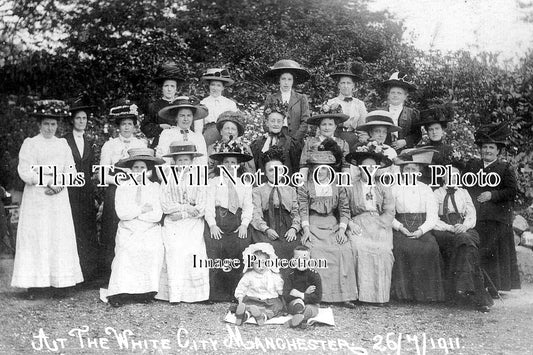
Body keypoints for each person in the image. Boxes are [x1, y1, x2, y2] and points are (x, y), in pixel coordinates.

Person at [11, 100, 83, 298]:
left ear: (57, 125)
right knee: (38, 237)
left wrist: (60, 185)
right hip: (38, 199)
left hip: (58, 200)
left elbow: (72, 170)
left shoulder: (62, 144)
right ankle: (36, 285)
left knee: (58, 237)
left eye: (53, 124)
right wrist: (49, 182)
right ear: (39, 125)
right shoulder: (31, 143)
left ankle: (60, 282)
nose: (50, 128)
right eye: (46, 124)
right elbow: (25, 170)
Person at [298, 139, 358, 308]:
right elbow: (303, 209)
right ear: (312, 169)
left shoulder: (337, 186)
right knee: (315, 251)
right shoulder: (305, 186)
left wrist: (342, 229)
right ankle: (319, 296)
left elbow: (345, 210)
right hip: (313, 224)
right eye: (318, 167)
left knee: (343, 249)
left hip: (333, 225)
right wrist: (306, 229)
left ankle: (344, 295)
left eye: (325, 167)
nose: (322, 171)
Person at [106, 148, 165, 307]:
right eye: (136, 168)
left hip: (149, 228)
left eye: (142, 168)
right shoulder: (123, 187)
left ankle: (144, 291)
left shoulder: (154, 187)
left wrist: (137, 214)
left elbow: (157, 214)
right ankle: (119, 292)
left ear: (148, 170)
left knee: (152, 248)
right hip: (128, 228)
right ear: (130, 170)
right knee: (127, 251)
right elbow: (122, 213)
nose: (139, 171)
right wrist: (140, 210)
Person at [468, 122, 520, 295]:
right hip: (476, 215)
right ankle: (477, 284)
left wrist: (492, 195)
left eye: (491, 148)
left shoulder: (505, 168)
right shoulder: (473, 166)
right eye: (484, 147)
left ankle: (493, 286)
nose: (487, 151)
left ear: (498, 151)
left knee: (491, 248)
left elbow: (512, 191)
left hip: (496, 217)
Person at [433, 162, 493, 312]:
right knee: (467, 243)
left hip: (465, 228)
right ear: (443, 177)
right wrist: (450, 228)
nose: (452, 178)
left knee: (467, 241)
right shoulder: (436, 193)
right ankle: (478, 298)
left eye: (455, 176)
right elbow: (433, 218)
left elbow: (471, 214)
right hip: (444, 230)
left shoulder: (464, 193)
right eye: (449, 175)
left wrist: (464, 226)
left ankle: (462, 291)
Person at [156, 141, 210, 304]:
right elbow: (165, 205)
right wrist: (186, 207)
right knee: (174, 251)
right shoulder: (168, 177)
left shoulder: (199, 177)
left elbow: (201, 207)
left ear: (192, 161)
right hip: (173, 223)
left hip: (192, 223)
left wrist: (182, 213)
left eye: (186, 160)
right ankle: (174, 294)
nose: (183, 164)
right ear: (174, 161)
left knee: (193, 251)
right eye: (180, 160)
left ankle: (195, 295)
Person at [99, 99, 147, 279]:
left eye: (130, 124)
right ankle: (109, 274)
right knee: (112, 229)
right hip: (116, 189)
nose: (126, 127)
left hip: (136, 189)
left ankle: (135, 274)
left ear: (135, 126)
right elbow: (102, 175)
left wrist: (137, 180)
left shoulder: (141, 145)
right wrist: (119, 181)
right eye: (123, 124)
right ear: (118, 126)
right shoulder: (110, 145)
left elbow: (148, 171)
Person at [390, 148, 445, 302]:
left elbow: (433, 216)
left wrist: (421, 231)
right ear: (401, 171)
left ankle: (427, 295)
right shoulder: (395, 188)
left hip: (422, 228)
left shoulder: (426, 189)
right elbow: (389, 214)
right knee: (401, 248)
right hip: (401, 227)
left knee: (430, 247)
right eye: (406, 169)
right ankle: (404, 295)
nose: (409, 172)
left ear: (419, 171)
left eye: (413, 169)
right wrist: (400, 228)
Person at [344, 142, 395, 305]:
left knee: (383, 251)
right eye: (365, 167)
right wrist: (350, 224)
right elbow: (344, 209)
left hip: (379, 224)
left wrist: (383, 225)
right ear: (359, 169)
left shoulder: (383, 187)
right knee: (358, 247)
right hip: (358, 222)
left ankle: (378, 296)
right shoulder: (351, 187)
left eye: (372, 168)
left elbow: (389, 210)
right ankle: (361, 295)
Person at [204, 140, 254, 302]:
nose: (230, 165)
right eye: (226, 162)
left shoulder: (244, 184)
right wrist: (212, 225)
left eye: (233, 162)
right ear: (221, 164)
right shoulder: (213, 182)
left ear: (238, 165)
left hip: (237, 221)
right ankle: (215, 293)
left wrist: (244, 224)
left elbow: (248, 206)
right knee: (215, 252)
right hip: (218, 220)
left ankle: (234, 292)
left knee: (238, 251)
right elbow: (209, 205)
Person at [63, 98, 99, 282]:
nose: (81, 121)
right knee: (73, 229)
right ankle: (73, 275)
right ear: (72, 120)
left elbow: (91, 167)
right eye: (78, 118)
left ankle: (88, 273)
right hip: (70, 191)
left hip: (86, 191)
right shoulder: (64, 141)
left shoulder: (88, 140)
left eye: (84, 118)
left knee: (87, 229)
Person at [251, 146, 301, 263]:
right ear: (265, 172)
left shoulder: (290, 190)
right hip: (266, 226)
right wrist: (266, 229)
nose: (275, 173)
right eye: (271, 170)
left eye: (278, 169)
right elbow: (256, 214)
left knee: (293, 247)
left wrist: (294, 228)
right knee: (267, 249)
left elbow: (296, 212)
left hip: (287, 226)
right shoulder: (258, 191)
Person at [234, 243, 284, 326]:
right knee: (248, 305)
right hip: (253, 299)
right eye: (257, 263)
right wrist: (240, 301)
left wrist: (280, 290)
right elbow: (241, 288)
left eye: (264, 262)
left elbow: (279, 284)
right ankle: (244, 315)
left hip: (270, 300)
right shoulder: (248, 275)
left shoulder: (272, 274)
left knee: (276, 306)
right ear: (251, 264)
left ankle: (262, 317)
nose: (261, 266)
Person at [263, 59, 311, 144]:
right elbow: (265, 120)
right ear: (279, 80)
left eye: (289, 79)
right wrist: (274, 136)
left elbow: (305, 121)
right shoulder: (271, 98)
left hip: (296, 141)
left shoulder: (301, 98)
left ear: (293, 81)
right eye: (283, 79)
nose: (286, 82)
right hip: (276, 139)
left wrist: (295, 140)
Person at [299, 105, 351, 180]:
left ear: (335, 126)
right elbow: (304, 168)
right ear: (319, 127)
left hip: (335, 183)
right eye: (324, 124)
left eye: (330, 124)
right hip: (313, 182)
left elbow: (345, 169)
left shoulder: (342, 144)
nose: (327, 128)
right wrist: (302, 186)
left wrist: (345, 187)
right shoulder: (309, 143)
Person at [250, 102, 301, 178]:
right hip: (263, 185)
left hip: (285, 184)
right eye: (272, 121)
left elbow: (296, 168)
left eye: (279, 121)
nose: (276, 124)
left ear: (283, 123)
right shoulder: (258, 143)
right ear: (267, 122)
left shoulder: (291, 143)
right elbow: (253, 168)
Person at [141, 61, 184, 148]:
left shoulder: (181, 105)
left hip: (179, 142)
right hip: (160, 143)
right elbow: (145, 128)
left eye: (172, 86)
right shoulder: (154, 106)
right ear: (162, 88)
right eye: (166, 86)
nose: (169, 89)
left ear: (176, 89)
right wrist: (160, 127)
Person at [326, 62, 368, 148]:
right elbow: (323, 125)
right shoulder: (330, 103)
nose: (346, 86)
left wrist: (363, 141)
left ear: (353, 86)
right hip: (333, 138)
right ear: (338, 85)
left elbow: (362, 128)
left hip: (352, 140)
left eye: (348, 83)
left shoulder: (359, 104)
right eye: (343, 83)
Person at [156, 96, 208, 165]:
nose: (186, 119)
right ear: (176, 118)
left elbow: (202, 161)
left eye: (189, 115)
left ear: (193, 117)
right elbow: (162, 158)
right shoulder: (167, 134)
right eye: (182, 115)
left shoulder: (198, 137)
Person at [195, 68, 238, 146]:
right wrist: (199, 142)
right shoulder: (203, 103)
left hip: (226, 136)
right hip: (209, 136)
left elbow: (235, 125)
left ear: (223, 87)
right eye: (212, 85)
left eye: (218, 85)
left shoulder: (230, 104)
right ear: (209, 86)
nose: (215, 88)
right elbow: (198, 128)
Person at [283, 245, 322, 328]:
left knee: (310, 309)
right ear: (292, 260)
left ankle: (298, 320)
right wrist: (302, 296)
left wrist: (301, 294)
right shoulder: (289, 274)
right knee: (298, 304)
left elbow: (317, 297)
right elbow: (286, 295)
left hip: (310, 304)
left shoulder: (314, 275)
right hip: (294, 303)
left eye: (305, 259)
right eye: (297, 259)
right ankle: (302, 320)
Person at [207, 111, 255, 179]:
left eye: (233, 129)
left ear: (238, 132)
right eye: (227, 128)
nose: (230, 132)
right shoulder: (213, 148)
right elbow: (208, 172)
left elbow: (250, 173)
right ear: (221, 131)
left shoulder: (244, 148)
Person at [381, 71, 421, 151]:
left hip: (405, 152)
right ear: (388, 94)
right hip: (383, 150)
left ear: (405, 96)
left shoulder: (412, 113)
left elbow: (417, 135)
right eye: (393, 92)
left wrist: (405, 141)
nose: (395, 95)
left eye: (399, 93)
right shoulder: (381, 113)